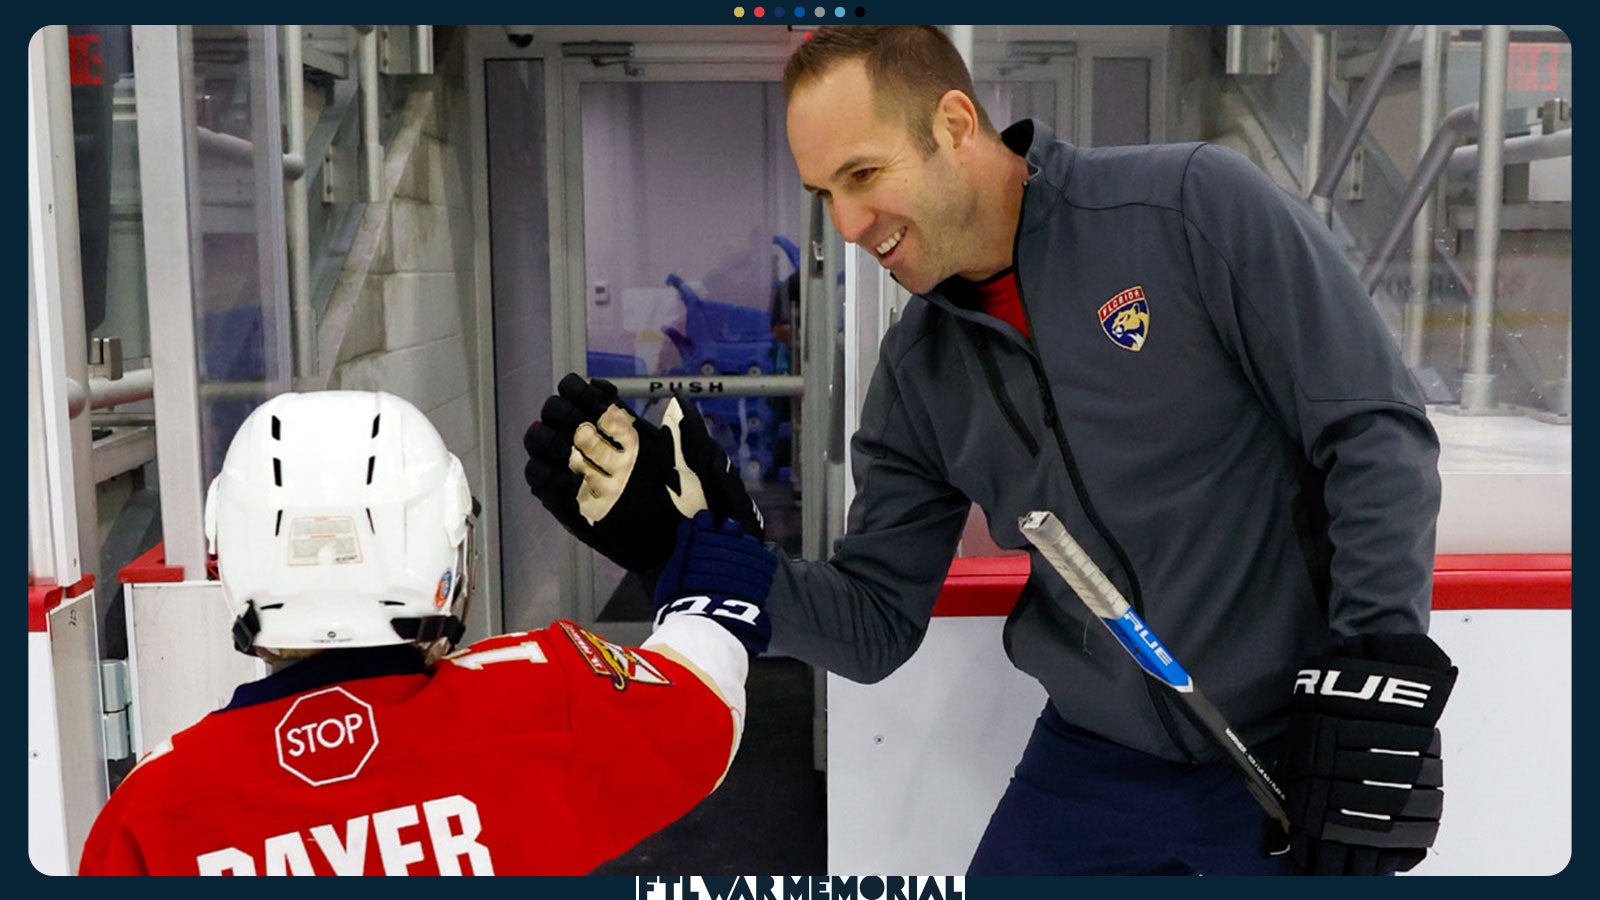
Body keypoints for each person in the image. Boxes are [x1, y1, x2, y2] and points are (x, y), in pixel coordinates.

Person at [526, 25, 1458, 876]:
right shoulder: (920, 374)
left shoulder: (1187, 210)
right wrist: (686, 553)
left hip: (1284, 744)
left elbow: (1372, 429)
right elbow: (873, 622)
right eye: (824, 195)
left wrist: (1379, 668)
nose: (847, 226)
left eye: (862, 175)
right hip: (1095, 763)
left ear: (955, 122)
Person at [79, 390, 776, 876]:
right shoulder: (545, 696)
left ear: (227, 546)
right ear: (447, 547)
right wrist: (706, 568)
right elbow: (704, 704)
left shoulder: (150, 812)